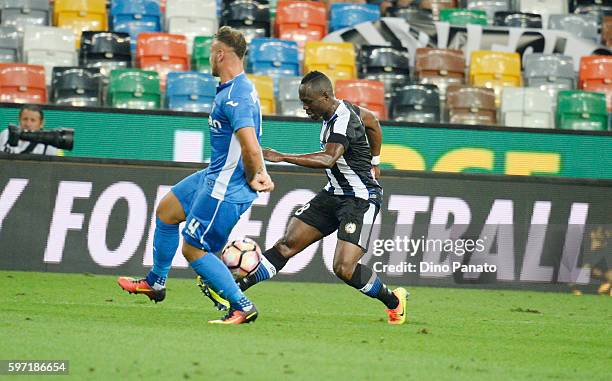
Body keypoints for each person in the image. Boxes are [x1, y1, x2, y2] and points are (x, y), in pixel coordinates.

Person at [202, 71, 408, 325]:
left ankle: (394, 301)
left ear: (325, 96)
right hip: (333, 193)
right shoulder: (339, 111)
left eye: (309, 102)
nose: (305, 107)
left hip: (360, 199)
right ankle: (233, 292)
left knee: (344, 268)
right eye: (302, 102)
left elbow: (328, 158)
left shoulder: (343, 119)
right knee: (287, 244)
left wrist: (282, 156)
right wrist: (375, 160)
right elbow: (373, 122)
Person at [117, 26, 274, 325]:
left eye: (211, 54)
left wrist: (256, 175)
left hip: (225, 186)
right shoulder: (238, 88)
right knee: (166, 210)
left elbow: (251, 147)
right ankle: (156, 282)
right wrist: (258, 172)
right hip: (213, 175)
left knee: (194, 248)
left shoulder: (236, 97)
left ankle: (241, 305)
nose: (208, 61)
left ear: (220, 54)